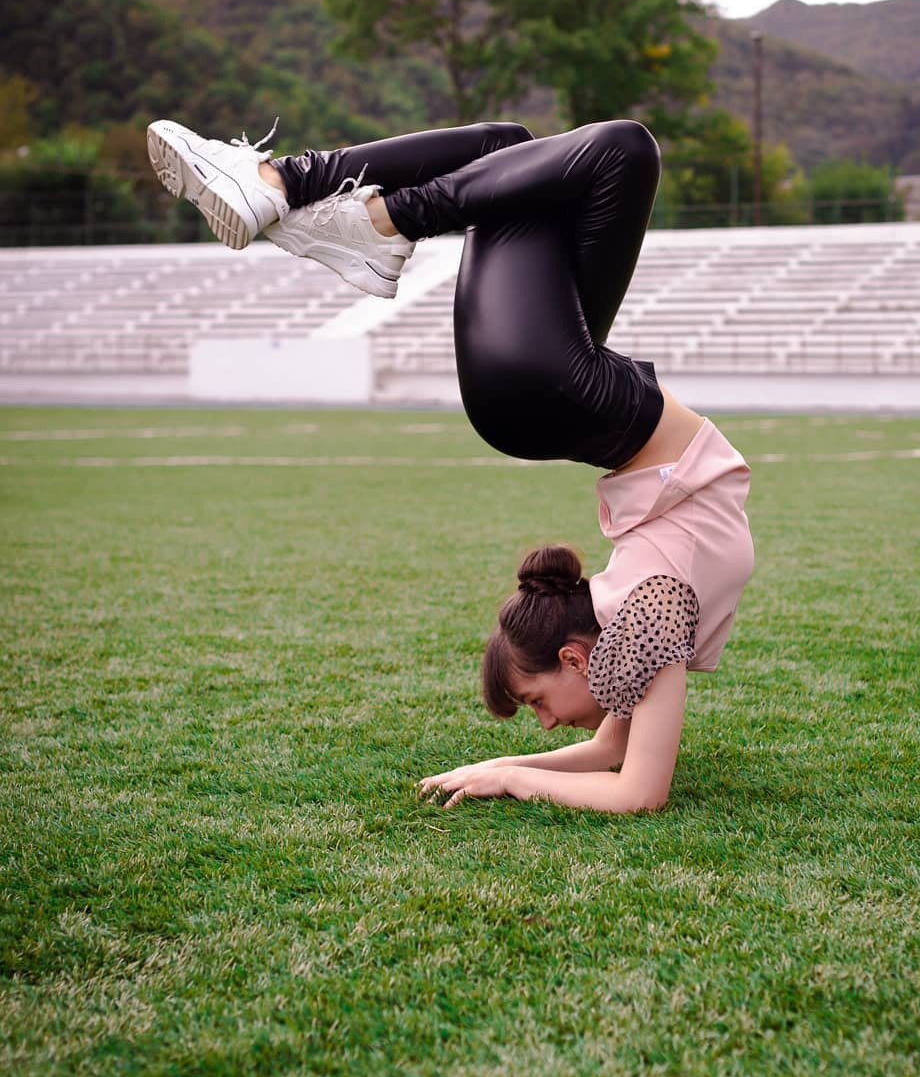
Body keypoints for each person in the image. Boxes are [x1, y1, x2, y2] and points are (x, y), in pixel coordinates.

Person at [146, 117, 754, 812]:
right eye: (537, 706)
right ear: (573, 659)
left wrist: (510, 774)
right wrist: (500, 764)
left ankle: (332, 200)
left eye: (534, 708)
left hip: (544, 391)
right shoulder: (646, 616)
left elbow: (631, 781)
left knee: (616, 150)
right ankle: (310, 195)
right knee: (526, 151)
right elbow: (620, 766)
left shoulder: (641, 618)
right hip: (545, 390)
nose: (548, 720)